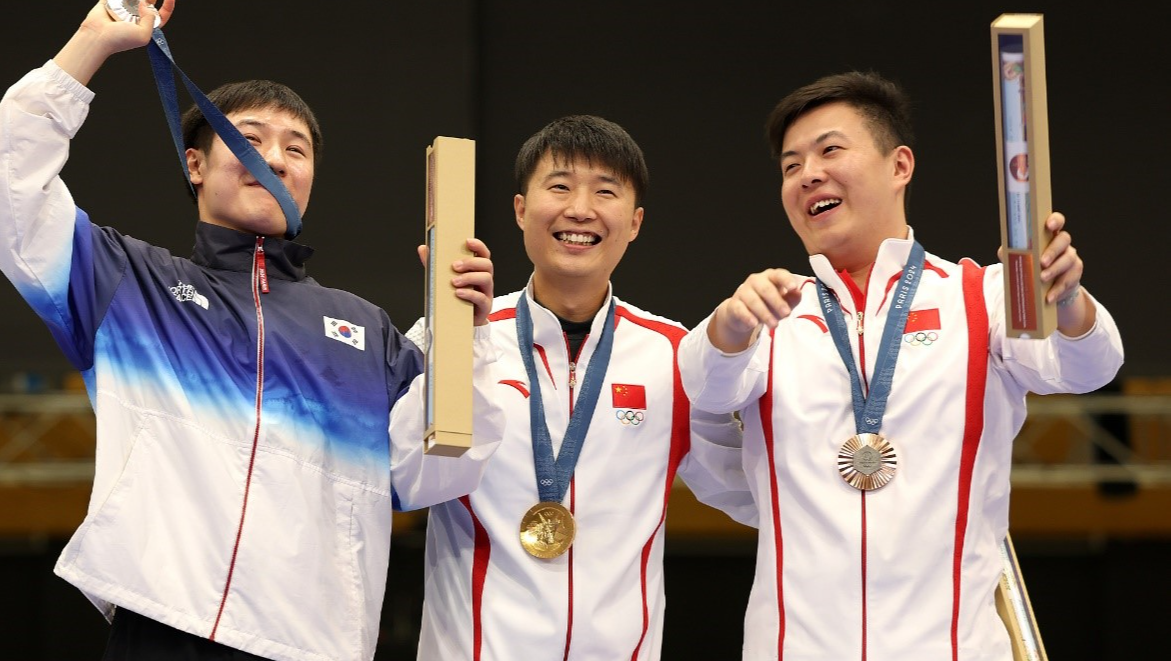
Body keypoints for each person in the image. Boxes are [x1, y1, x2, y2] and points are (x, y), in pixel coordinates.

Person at [0, 0, 504, 661]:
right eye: (249, 138)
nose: (274, 157)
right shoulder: (128, 283)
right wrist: (93, 43)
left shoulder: (365, 331)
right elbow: (1, 186)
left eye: (296, 148)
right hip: (162, 626)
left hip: (311, 642)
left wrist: (469, 339)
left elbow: (428, 472)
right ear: (195, 162)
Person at [677, 70, 1124, 659]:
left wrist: (1066, 300)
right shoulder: (767, 310)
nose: (808, 173)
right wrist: (731, 332)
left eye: (829, 149)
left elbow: (1088, 366)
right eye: (790, 166)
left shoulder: (982, 297)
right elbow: (701, 395)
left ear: (900, 166)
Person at [395, 114, 757, 660]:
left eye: (605, 192)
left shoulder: (672, 355)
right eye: (560, 186)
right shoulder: (452, 334)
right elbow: (406, 485)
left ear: (634, 222)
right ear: (520, 209)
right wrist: (464, 346)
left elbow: (751, 491)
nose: (580, 209)